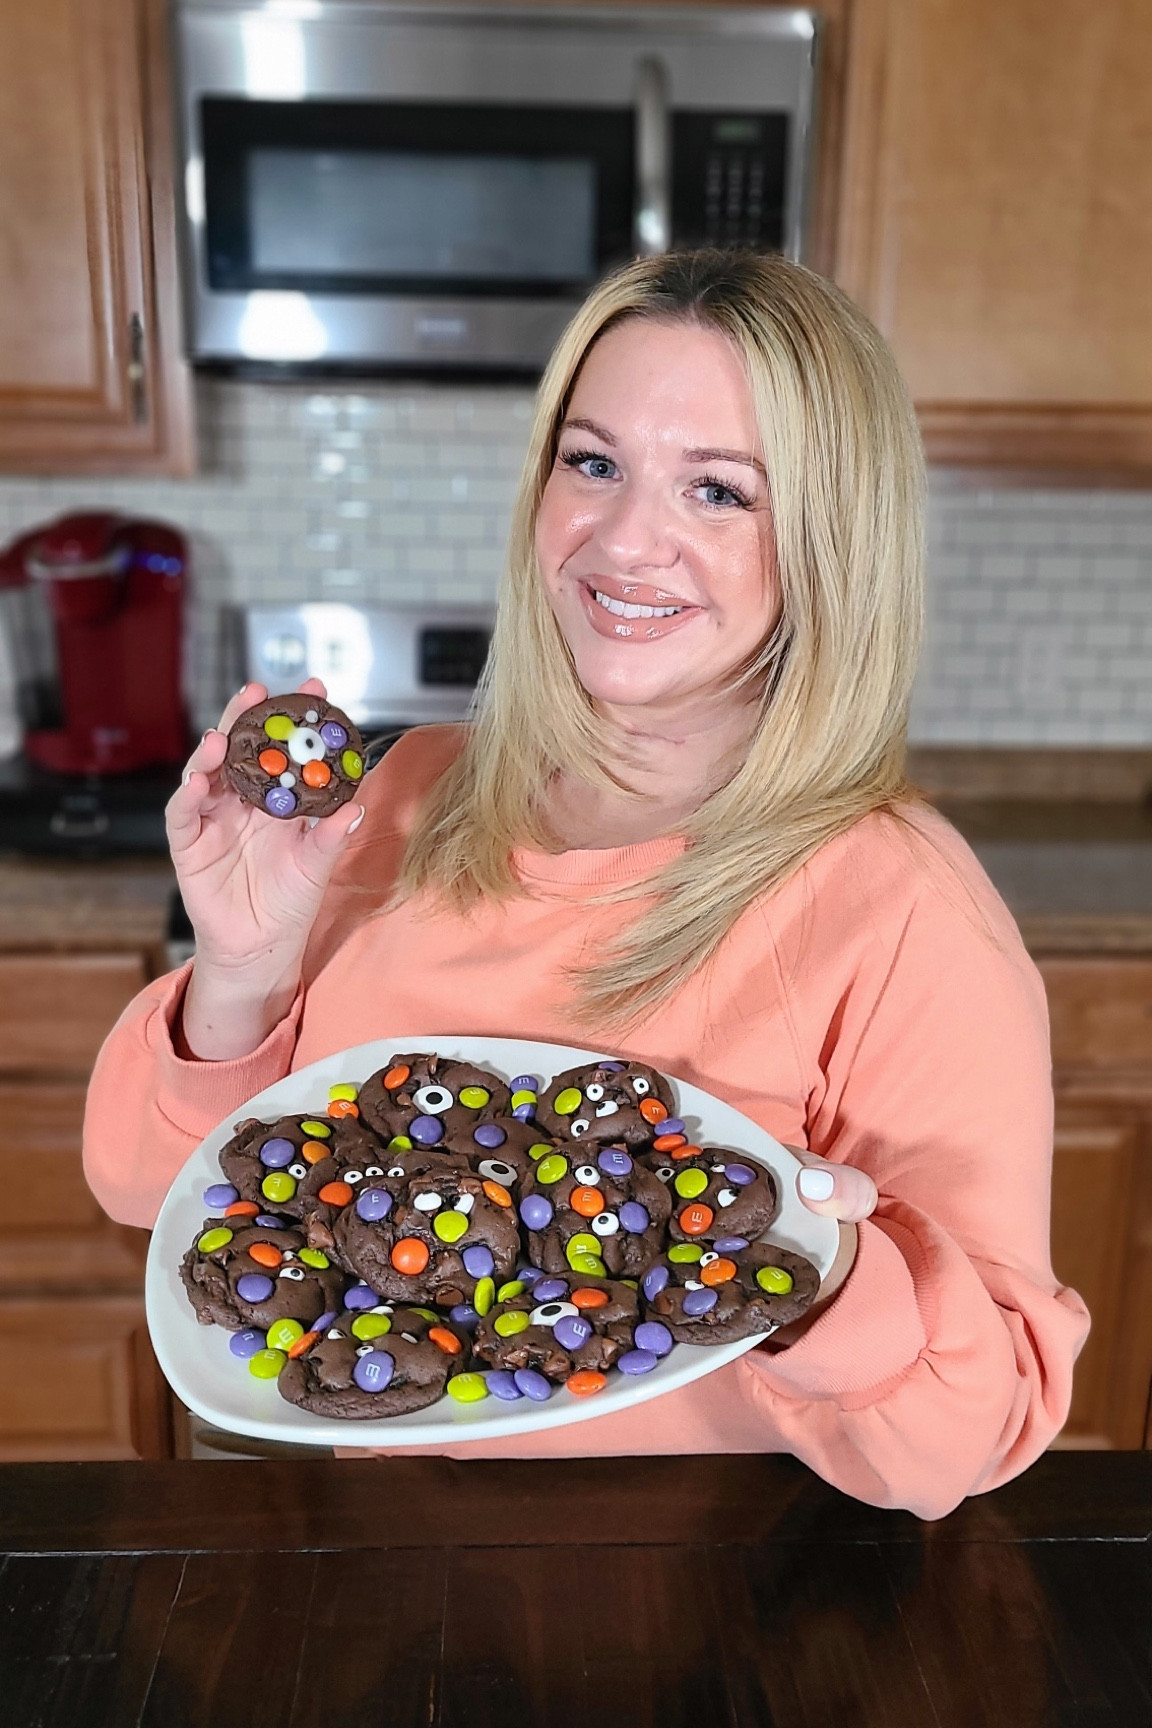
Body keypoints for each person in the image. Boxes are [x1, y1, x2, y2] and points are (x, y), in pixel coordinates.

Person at [83, 249, 1088, 1517]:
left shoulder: (900, 909)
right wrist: (240, 969)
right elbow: (144, 1193)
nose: (624, 541)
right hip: (378, 1558)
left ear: (833, 542)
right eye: (594, 462)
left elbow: (969, 1442)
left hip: (716, 1594)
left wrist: (818, 1266)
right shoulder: (404, 795)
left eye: (720, 492)